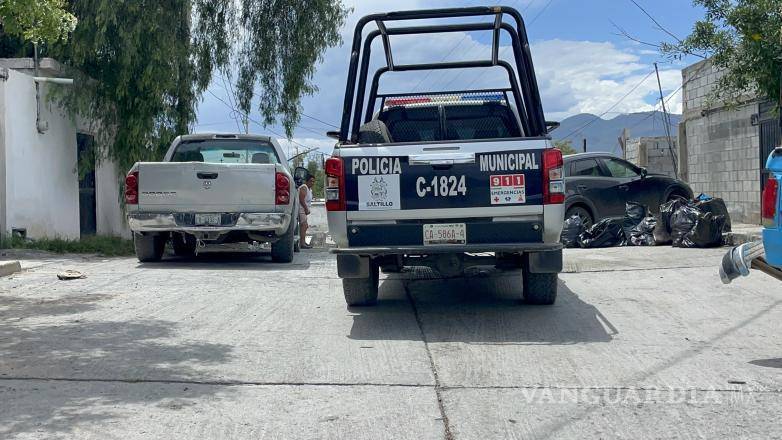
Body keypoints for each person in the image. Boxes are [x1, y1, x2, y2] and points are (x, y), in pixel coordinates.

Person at [298, 174, 316, 249]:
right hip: (301, 209)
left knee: (304, 226)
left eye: (313, 181)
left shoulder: (309, 189)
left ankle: (303, 242)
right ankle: (302, 243)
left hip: (304, 209)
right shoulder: (304, 187)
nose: (312, 183)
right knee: (304, 225)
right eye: (311, 181)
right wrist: (306, 209)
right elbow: (301, 199)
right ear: (307, 181)